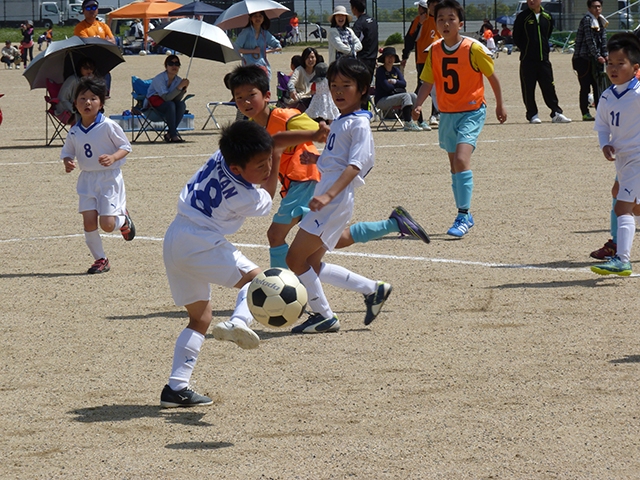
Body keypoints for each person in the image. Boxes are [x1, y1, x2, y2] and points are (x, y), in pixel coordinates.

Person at [159, 121, 324, 407]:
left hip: (174, 238)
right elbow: (268, 196)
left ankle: (176, 388)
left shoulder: (221, 155)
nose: (267, 169)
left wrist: (299, 138)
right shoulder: (245, 195)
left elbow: (270, 140)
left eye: (266, 163)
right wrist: (275, 154)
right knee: (261, 281)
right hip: (199, 241)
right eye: (260, 166)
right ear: (237, 168)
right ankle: (238, 321)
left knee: (201, 318)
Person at [229, 64, 430, 269]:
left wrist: (323, 132)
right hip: (302, 181)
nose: (245, 102)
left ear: (266, 95)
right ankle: (393, 225)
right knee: (329, 241)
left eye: (250, 95)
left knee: (275, 235)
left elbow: (320, 132)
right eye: (239, 97)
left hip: (305, 180)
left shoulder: (283, 117)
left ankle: (279, 284)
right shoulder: (254, 126)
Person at [284, 57, 394, 335]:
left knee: (294, 260)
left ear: (364, 90)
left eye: (347, 85)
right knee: (311, 263)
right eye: (334, 85)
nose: (339, 91)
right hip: (329, 201)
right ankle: (373, 289)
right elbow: (331, 161)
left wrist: (328, 196)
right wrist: (305, 154)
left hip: (332, 203)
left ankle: (324, 316)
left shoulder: (359, 125)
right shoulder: (343, 121)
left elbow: (355, 166)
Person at [413, 0, 507, 238]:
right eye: (441, 19)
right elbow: (428, 81)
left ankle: (463, 214)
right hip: (447, 114)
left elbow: (492, 77)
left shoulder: (473, 48)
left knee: (462, 160)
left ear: (460, 23)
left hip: (472, 112)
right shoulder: (434, 50)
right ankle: (463, 212)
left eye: (451, 19)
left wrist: (500, 105)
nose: (446, 23)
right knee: (454, 166)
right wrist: (418, 104)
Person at [60, 77, 135, 275]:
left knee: (108, 225)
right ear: (75, 103)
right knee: (89, 221)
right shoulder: (74, 131)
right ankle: (100, 259)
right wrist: (68, 161)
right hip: (87, 180)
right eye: (82, 98)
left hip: (108, 179)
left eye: (93, 98)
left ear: (101, 103)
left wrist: (113, 157)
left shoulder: (108, 126)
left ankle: (123, 220)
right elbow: (67, 152)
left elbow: (125, 146)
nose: (87, 103)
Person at [591, 33, 640, 276]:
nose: (613, 68)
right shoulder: (607, 96)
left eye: (620, 63)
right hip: (623, 159)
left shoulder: (639, 94)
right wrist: (605, 145)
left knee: (622, 207)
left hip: (638, 159)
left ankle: (622, 259)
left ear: (635, 68)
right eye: (610, 62)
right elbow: (601, 126)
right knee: (624, 199)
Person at [513, 0, 571, 124]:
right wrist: (527, 49)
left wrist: (543, 49)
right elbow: (516, 36)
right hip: (527, 60)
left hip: (544, 59)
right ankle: (532, 114)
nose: (531, 1)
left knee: (549, 86)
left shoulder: (547, 16)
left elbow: (547, 34)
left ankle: (556, 113)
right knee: (528, 88)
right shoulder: (523, 17)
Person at [401, 0, 441, 130]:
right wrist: (405, 56)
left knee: (438, 86)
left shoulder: (441, 18)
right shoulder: (419, 20)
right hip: (423, 59)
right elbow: (410, 39)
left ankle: (435, 114)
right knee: (423, 87)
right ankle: (418, 115)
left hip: (440, 57)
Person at [572, 0, 608, 122]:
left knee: (597, 87)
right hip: (583, 59)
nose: (597, 9)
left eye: (599, 6)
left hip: (594, 59)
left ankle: (600, 112)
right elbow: (589, 40)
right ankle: (585, 112)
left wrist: (606, 54)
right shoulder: (587, 20)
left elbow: (603, 39)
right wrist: (598, 55)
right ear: (589, 8)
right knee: (585, 87)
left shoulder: (601, 21)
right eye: (594, 7)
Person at [375, 46, 422, 131]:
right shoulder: (380, 71)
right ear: (384, 58)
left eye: (392, 56)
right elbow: (387, 87)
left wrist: (395, 82)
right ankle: (408, 122)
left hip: (394, 96)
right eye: (388, 56)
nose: (390, 59)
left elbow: (404, 84)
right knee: (405, 96)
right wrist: (397, 86)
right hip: (382, 100)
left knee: (413, 95)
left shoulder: (396, 70)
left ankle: (421, 122)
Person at [145, 54, 190, 143]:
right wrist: (179, 87)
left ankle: (170, 133)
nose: (174, 66)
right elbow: (166, 98)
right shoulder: (159, 78)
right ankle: (173, 135)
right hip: (153, 104)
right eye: (171, 63)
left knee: (181, 104)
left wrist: (183, 89)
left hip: (169, 104)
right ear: (166, 66)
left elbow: (177, 99)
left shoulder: (178, 80)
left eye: (177, 64)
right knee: (170, 105)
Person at [234, 11, 282, 81]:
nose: (258, 18)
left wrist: (266, 51)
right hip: (248, 67)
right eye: (255, 16)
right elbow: (236, 48)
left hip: (262, 66)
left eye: (260, 16)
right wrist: (253, 51)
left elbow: (278, 46)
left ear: (263, 19)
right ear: (251, 18)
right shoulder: (246, 32)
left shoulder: (265, 33)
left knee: (263, 88)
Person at [350, 0, 379, 77]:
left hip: (363, 58)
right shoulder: (373, 21)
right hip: (373, 57)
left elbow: (355, 40)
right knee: (367, 82)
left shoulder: (359, 23)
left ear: (354, 9)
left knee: (360, 83)